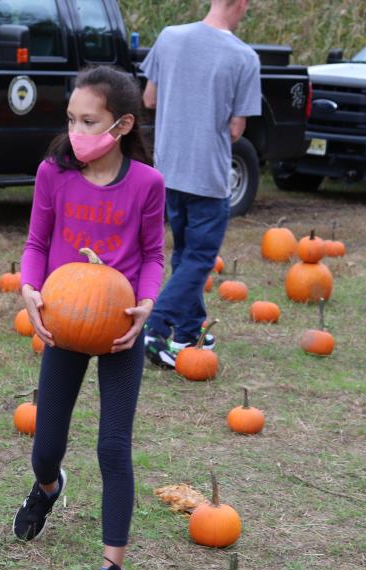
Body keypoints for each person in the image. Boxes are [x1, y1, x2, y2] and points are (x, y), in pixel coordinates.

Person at [13, 65, 165, 570]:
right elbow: (37, 243)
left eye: (89, 121)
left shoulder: (146, 183)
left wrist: (146, 303)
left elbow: (153, 255)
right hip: (66, 321)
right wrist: (30, 289)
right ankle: (48, 488)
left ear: (121, 125)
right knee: (45, 448)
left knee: (112, 449)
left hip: (119, 326)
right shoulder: (54, 173)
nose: (76, 131)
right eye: (71, 119)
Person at [139, 0, 261, 368]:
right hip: (207, 173)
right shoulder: (244, 57)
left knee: (184, 254)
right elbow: (236, 129)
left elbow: (149, 99)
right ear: (240, 3)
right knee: (200, 258)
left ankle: (189, 330)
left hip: (169, 169)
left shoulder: (169, 37)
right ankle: (155, 326)